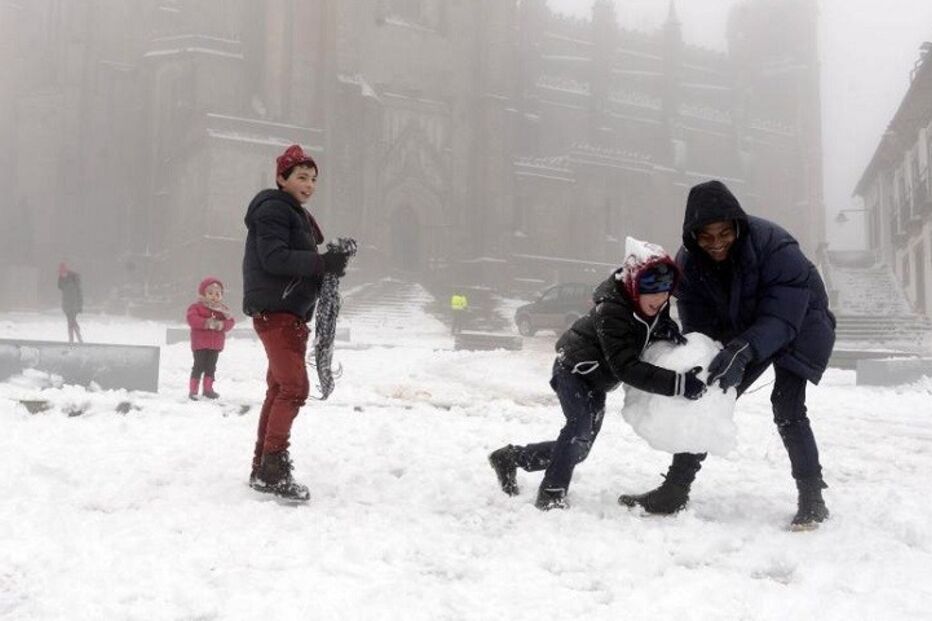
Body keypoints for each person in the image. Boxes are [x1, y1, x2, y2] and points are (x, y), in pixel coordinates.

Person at [618, 180, 836, 531]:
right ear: (693, 236)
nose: (716, 243)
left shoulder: (776, 246)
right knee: (708, 393)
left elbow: (783, 316)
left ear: (737, 226)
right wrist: (702, 353)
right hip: (745, 330)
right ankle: (675, 489)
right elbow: (699, 323)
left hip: (800, 323)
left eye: (724, 233)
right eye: (706, 236)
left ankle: (812, 497)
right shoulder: (689, 264)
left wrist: (744, 349)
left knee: (788, 406)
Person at [488, 238, 706, 510]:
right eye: (652, 290)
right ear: (633, 285)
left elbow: (655, 320)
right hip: (573, 372)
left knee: (578, 449)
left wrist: (667, 328)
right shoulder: (612, 310)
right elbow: (625, 367)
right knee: (577, 430)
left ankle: (511, 458)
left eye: (666, 291)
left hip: (597, 382)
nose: (660, 299)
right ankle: (551, 494)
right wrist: (678, 384)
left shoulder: (653, 305)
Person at [242, 144, 351, 502]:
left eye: (314, 179)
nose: (309, 184)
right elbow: (274, 259)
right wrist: (322, 263)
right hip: (278, 313)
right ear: (281, 178)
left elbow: (303, 261)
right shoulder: (274, 209)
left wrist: (332, 262)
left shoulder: (295, 215)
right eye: (301, 177)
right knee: (293, 389)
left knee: (278, 389)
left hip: (288, 313)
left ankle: (262, 465)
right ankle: (272, 468)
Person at [186, 277, 235, 400]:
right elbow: (192, 320)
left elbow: (230, 322)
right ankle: (193, 390)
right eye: (210, 293)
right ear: (203, 293)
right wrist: (206, 323)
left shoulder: (223, 310)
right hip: (200, 344)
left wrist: (221, 325)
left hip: (215, 345)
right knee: (199, 366)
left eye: (217, 294)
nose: (214, 296)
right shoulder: (196, 307)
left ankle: (208, 389)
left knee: (211, 367)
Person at [57, 262, 83, 344]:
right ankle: (77, 338)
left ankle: (74, 339)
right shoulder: (62, 281)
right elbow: (64, 293)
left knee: (71, 321)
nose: (62, 274)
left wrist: (79, 305)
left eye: (63, 273)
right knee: (71, 321)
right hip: (67, 306)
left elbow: (78, 294)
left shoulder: (72, 282)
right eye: (61, 273)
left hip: (73, 306)